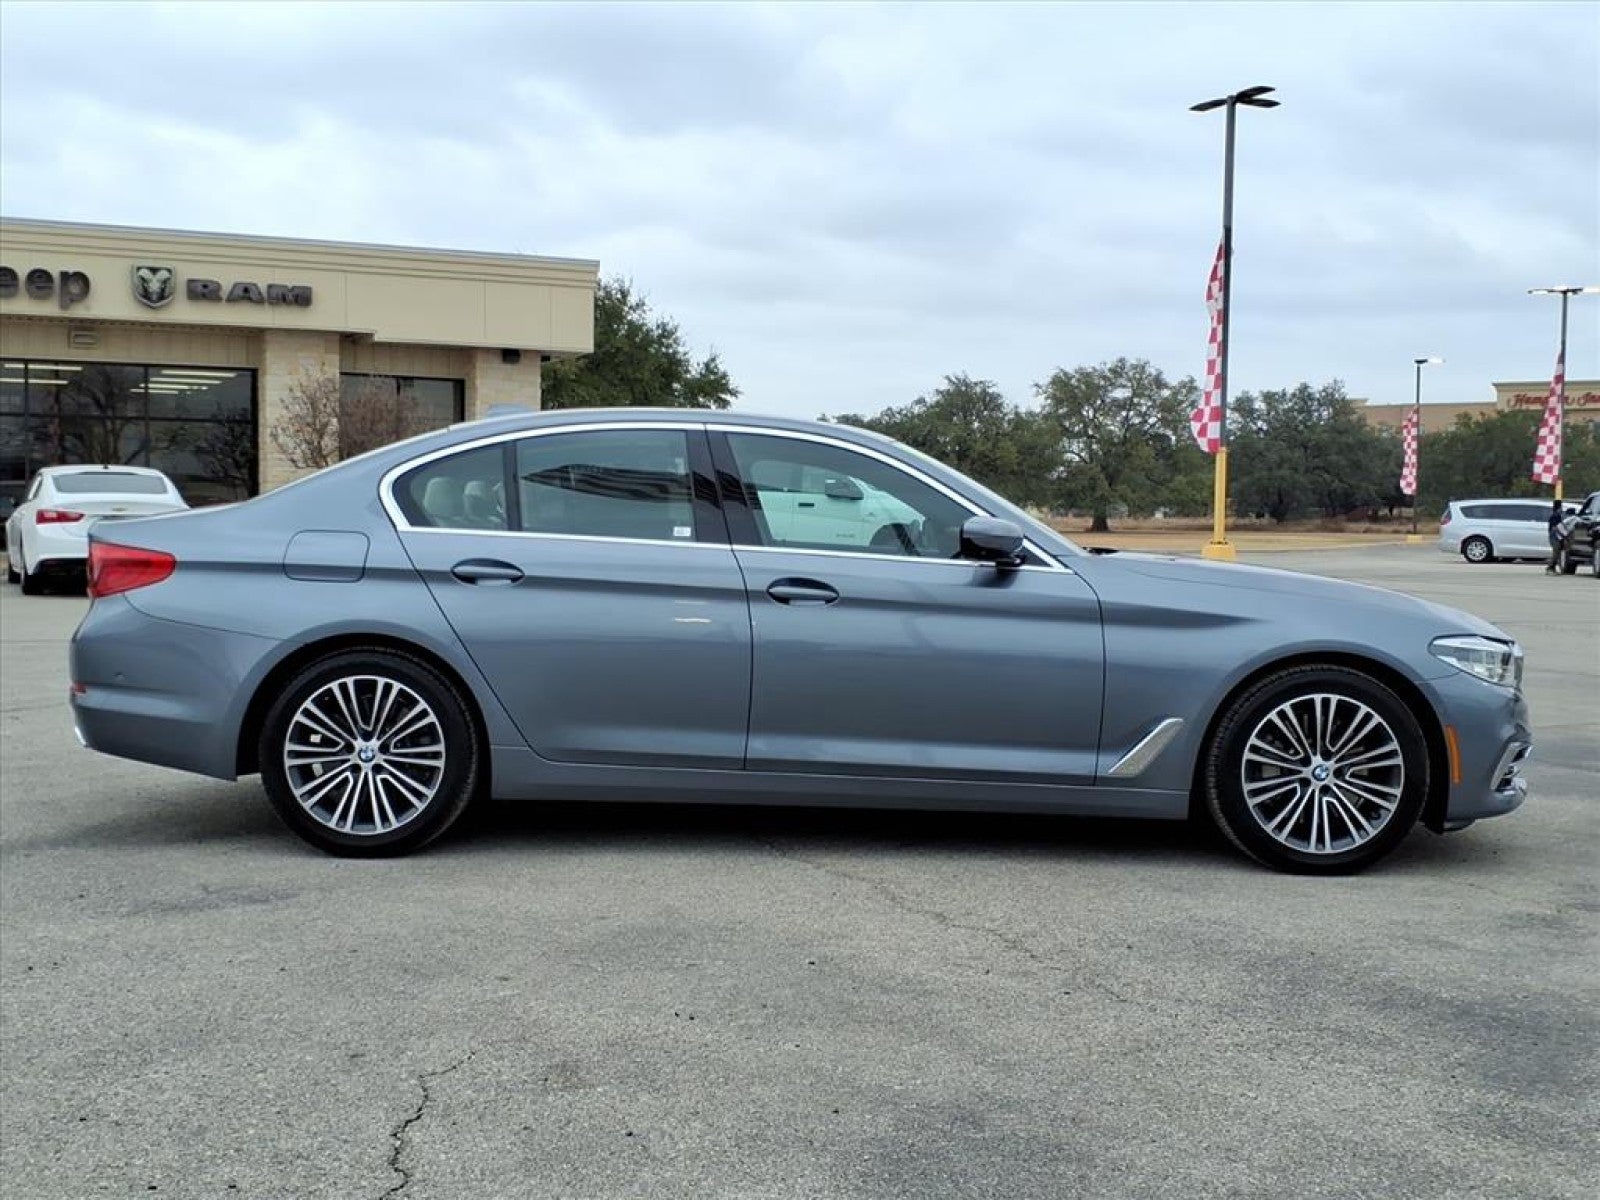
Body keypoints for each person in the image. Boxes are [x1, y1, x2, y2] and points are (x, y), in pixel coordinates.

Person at [1546, 498, 1566, 573]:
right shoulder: (1555, 516)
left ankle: (1552, 568)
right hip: (1555, 536)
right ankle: (1550, 567)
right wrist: (1562, 534)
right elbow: (1555, 527)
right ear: (1559, 507)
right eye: (1561, 507)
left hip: (1555, 535)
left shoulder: (1557, 515)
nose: (1562, 509)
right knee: (1556, 552)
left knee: (1557, 552)